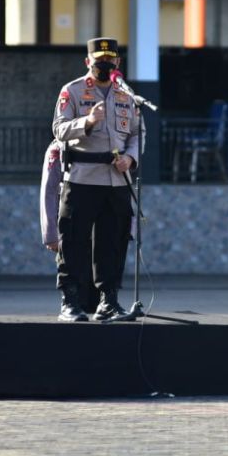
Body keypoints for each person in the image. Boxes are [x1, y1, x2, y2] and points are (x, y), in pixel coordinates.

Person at [52, 37, 140, 322]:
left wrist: (131, 158)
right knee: (74, 241)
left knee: (112, 242)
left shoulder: (126, 94)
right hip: (82, 178)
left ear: (118, 62)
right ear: (87, 61)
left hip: (117, 180)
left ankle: (109, 300)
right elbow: (59, 129)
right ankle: (71, 301)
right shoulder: (73, 91)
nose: (104, 63)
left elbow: (138, 133)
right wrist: (86, 122)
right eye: (98, 58)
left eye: (110, 59)